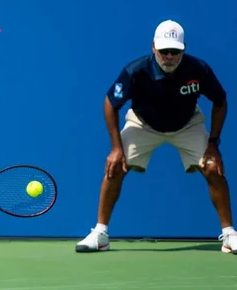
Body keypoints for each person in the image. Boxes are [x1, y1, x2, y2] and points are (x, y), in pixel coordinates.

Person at [75, 19, 236, 254]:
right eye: (164, 51)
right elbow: (110, 103)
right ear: (153, 47)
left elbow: (220, 101)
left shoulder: (198, 70)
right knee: (115, 167)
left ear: (183, 49)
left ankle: (229, 234)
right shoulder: (136, 71)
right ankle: (100, 234)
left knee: (213, 168)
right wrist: (115, 147)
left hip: (187, 124)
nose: (169, 56)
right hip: (143, 125)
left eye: (175, 51)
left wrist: (213, 144)